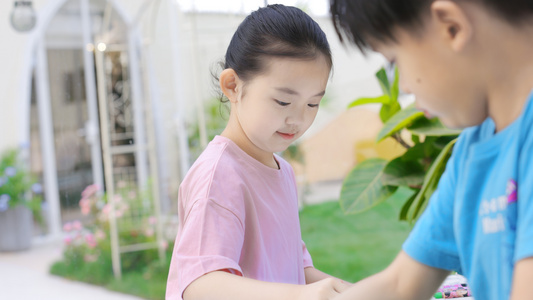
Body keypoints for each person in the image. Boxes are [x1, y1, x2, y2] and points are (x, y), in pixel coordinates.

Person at [329, 0, 533, 299]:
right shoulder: (471, 150)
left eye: (394, 61)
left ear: (451, 27)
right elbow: (401, 284)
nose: (406, 87)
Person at [166, 4, 350, 300]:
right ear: (233, 86)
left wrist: (352, 292)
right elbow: (200, 284)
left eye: (312, 104)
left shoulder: (282, 170)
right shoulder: (218, 176)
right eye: (282, 102)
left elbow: (295, 270)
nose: (298, 119)